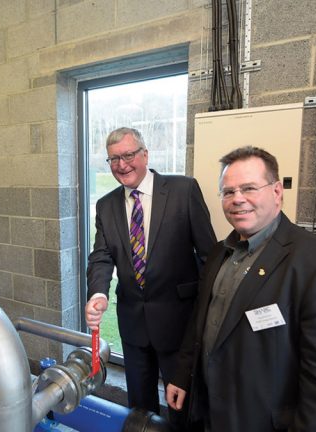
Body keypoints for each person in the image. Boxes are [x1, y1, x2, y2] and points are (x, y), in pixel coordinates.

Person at [166, 146, 316, 431]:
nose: (237, 199)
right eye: (228, 192)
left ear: (276, 192)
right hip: (213, 414)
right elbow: (200, 323)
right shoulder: (219, 254)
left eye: (249, 188)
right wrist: (184, 374)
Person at [85, 127, 216, 430]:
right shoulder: (106, 205)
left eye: (129, 155)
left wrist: (210, 313)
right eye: (114, 159)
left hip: (179, 324)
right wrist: (98, 293)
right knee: (139, 409)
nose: (122, 164)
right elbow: (101, 256)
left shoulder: (183, 191)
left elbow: (209, 256)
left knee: (183, 409)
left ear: (145, 154)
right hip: (133, 325)